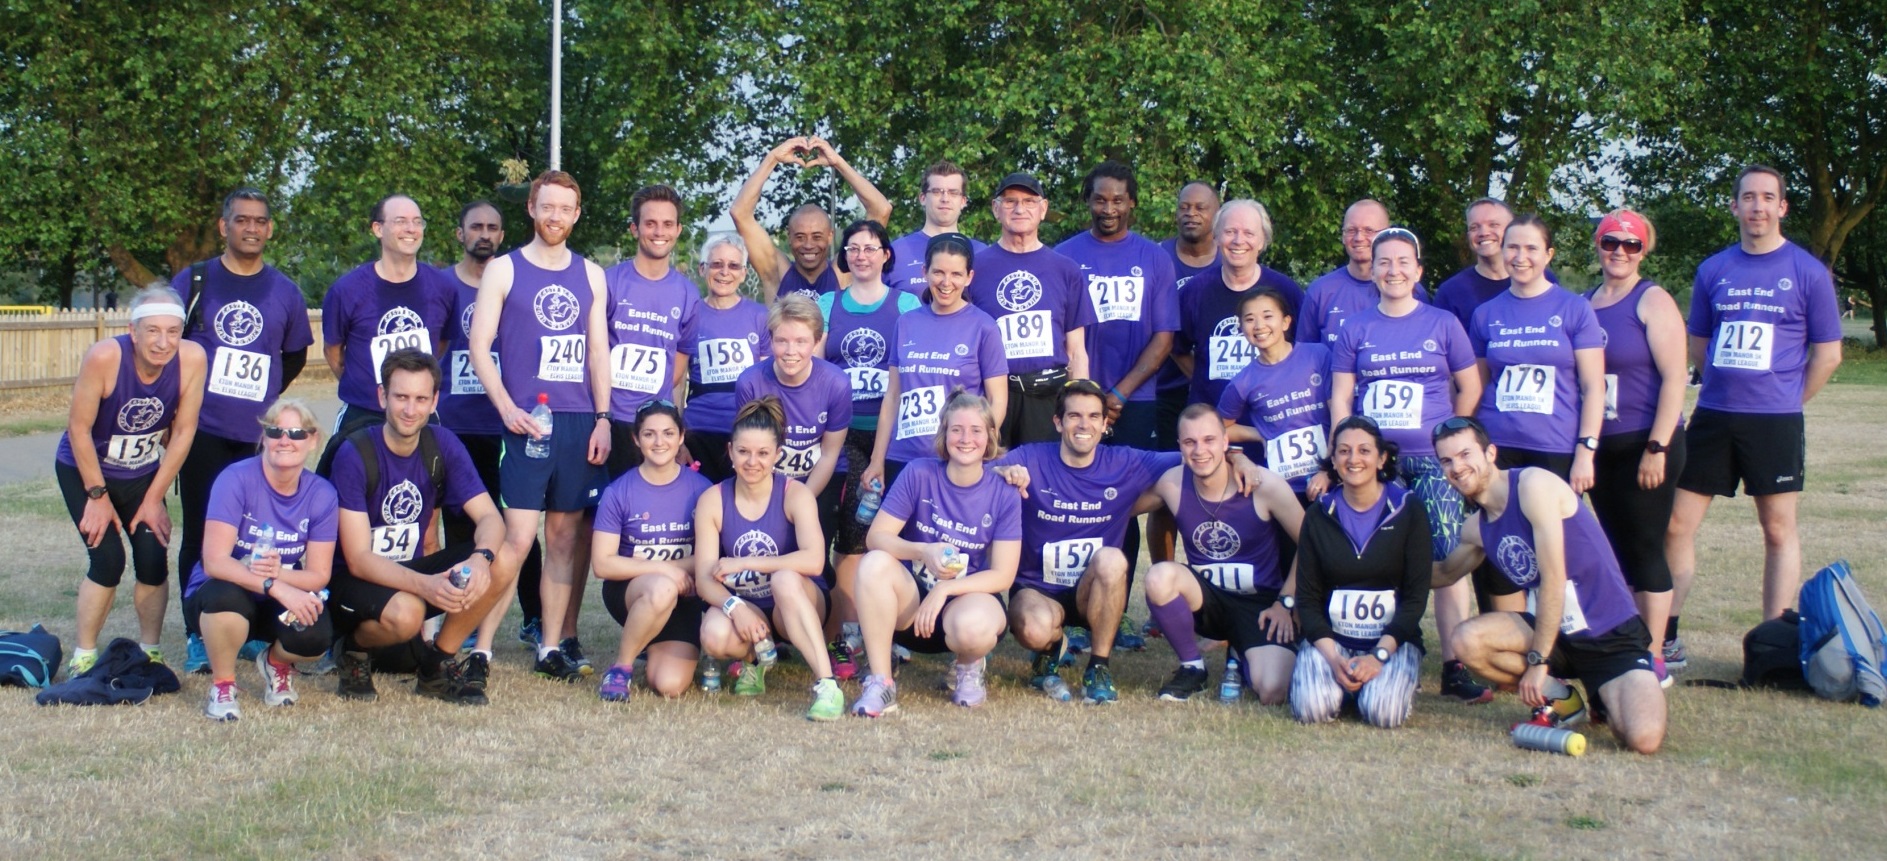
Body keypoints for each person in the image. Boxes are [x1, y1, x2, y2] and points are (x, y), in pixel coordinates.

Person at [1667, 165, 1843, 642]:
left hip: (1774, 421)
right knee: (1677, 523)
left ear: (1782, 207)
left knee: (1778, 529)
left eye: (1768, 198)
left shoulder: (1807, 272)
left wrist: (1787, 399)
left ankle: (1773, 640)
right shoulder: (1714, 269)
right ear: (1735, 206)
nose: (1757, 207)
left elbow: (1828, 355)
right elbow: (1699, 341)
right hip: (1714, 415)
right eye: (1748, 197)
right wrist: (1725, 384)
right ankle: (1666, 633)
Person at [1435, 417, 1666, 755]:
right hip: (1553, 634)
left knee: (1642, 739)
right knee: (1466, 641)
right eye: (1446, 460)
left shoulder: (1534, 486)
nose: (1457, 467)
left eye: (1465, 454)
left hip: (1610, 635)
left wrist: (1538, 662)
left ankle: (1610, 692)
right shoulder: (1476, 528)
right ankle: (1563, 699)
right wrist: (1369, 566)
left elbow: (1554, 578)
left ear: (1490, 453)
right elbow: (1443, 573)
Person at [1328, 227, 1491, 703]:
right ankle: (1393, 647)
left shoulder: (1442, 323)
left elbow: (1470, 387)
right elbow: (1342, 397)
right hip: (1378, 465)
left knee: (1443, 556)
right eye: (1384, 262)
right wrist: (1348, 452)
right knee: (1379, 556)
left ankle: (1456, 665)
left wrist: (1453, 442)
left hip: (1432, 462)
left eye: (1403, 262)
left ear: (1418, 271)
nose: (1393, 270)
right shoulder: (1355, 328)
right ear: (1373, 271)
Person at [466, 169, 613, 681]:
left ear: (576, 214)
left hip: (577, 422)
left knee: (565, 539)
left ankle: (550, 647)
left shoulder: (592, 274)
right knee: (517, 540)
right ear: (531, 209)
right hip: (528, 422)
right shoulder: (504, 270)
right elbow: (479, 347)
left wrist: (603, 418)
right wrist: (506, 406)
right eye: (547, 207)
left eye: (565, 209)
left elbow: (598, 352)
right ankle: (481, 646)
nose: (556, 217)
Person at [175, 187, 316, 674]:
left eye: (260, 221)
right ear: (224, 226)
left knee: (256, 537)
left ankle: (250, 631)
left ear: (270, 228)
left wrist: (266, 392)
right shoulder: (195, 280)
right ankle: (199, 632)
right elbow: (170, 344)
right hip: (202, 431)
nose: (251, 228)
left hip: (259, 436)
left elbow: (294, 354)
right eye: (241, 220)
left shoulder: (285, 291)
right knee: (202, 533)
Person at [326, 350, 516, 705]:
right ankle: (351, 652)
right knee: (408, 613)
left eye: (420, 399)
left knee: (502, 557)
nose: (410, 409)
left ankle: (437, 665)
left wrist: (479, 558)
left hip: (407, 574)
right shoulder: (355, 453)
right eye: (401, 397)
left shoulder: (441, 443)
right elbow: (357, 559)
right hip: (352, 584)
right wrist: (427, 587)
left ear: (433, 402)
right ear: (382, 396)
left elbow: (490, 518)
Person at [1056, 160, 1180, 650]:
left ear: (1132, 202)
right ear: (1087, 201)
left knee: (1120, 506)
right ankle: (1068, 614)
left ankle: (1114, 615)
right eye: (1099, 199)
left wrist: (1120, 394)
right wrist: (1084, 396)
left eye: (1117, 199)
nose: (1108, 208)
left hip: (1136, 402)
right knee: (1069, 505)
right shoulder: (1064, 257)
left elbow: (1164, 336)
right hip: (1075, 402)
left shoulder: (1154, 258)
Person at [56, 286, 206, 673]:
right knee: (107, 559)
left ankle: (150, 650)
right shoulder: (105, 356)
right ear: (133, 331)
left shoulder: (192, 359)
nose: (163, 342)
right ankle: (84, 655)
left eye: (173, 331)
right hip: (86, 468)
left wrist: (155, 498)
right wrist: (97, 495)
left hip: (141, 471)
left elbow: (185, 433)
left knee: (153, 555)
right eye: (153, 331)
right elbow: (78, 427)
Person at [850, 391, 1022, 714]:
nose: (966, 439)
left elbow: (1003, 575)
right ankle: (881, 683)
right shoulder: (919, 473)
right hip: (913, 607)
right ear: (944, 433)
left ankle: (969, 667)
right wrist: (923, 550)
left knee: (975, 625)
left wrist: (946, 588)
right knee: (873, 564)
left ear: (989, 437)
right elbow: (877, 537)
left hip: (963, 604)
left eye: (976, 430)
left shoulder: (1004, 492)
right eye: (957, 429)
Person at [436, 200, 547, 661]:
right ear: (460, 234)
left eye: (494, 228)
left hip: (509, 424)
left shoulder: (517, 280)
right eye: (476, 227)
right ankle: (464, 611)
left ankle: (534, 616)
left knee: (520, 528)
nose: (485, 234)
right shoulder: (441, 285)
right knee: (463, 525)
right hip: (457, 425)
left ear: (504, 236)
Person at [183, 398, 337, 721]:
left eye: (297, 433)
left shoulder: (322, 494)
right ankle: (223, 685)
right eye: (275, 430)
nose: (285, 440)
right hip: (220, 590)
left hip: (272, 590)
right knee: (224, 596)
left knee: (316, 634)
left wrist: (281, 574)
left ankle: (276, 663)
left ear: (312, 440)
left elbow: (319, 574)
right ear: (264, 436)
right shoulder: (235, 478)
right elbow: (214, 561)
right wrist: (274, 585)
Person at [1139, 405, 1304, 704]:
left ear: (1226, 443)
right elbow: (1117, 508)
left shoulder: (1264, 485)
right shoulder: (1172, 483)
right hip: (1207, 599)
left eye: (1209, 440)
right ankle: (1192, 667)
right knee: (1159, 577)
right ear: (1180, 446)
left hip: (1259, 605)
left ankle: (1240, 652)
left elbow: (1311, 545)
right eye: (1190, 442)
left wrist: (1286, 602)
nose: (1199, 450)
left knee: (1272, 691)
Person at [1583, 210, 1687, 683]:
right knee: (1615, 552)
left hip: (1645, 444)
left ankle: (1655, 652)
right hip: (1602, 448)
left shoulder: (1652, 300)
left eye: (1631, 245)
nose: (1619, 252)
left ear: (1644, 250)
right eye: (1611, 243)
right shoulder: (1585, 302)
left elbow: (1674, 380)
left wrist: (1658, 446)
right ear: (1598, 246)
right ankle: (1628, 647)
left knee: (1645, 549)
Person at [693, 397, 844, 721]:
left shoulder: (795, 494)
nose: (752, 461)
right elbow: (704, 577)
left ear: (777, 455)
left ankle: (827, 683)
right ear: (730, 451)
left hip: (796, 602)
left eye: (763, 453)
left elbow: (814, 561)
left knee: (785, 578)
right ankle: (755, 660)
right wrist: (736, 607)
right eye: (744, 452)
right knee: (713, 636)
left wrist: (746, 563)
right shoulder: (713, 499)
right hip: (745, 605)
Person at [817, 219, 921, 678]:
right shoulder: (826, 303)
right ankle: (850, 633)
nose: (861, 255)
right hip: (840, 435)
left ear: (886, 255)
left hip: (894, 437)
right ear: (844, 257)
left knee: (895, 534)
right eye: (853, 248)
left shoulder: (906, 304)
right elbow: (815, 371)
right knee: (852, 537)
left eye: (871, 247)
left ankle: (892, 630)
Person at [1289, 416, 1430, 727]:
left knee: (1383, 715)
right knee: (1311, 712)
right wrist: (1333, 658)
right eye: (1344, 451)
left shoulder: (1409, 509)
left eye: (1364, 451)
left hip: (1389, 640)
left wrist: (1378, 657)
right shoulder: (1318, 514)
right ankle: (1344, 686)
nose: (1354, 459)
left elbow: (1416, 599)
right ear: (1334, 461)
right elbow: (1308, 602)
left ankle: (1386, 685)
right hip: (1332, 640)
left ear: (1381, 458)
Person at [317, 194, 455, 474]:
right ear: (378, 229)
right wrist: (363, 383)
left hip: (420, 416)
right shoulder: (347, 290)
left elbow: (438, 345)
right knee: (351, 501)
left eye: (417, 222)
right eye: (401, 221)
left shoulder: (442, 287)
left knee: (425, 499)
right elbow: (334, 352)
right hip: (363, 414)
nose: (411, 229)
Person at [1468, 214, 1605, 490]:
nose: (1521, 257)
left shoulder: (1574, 309)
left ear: (1548, 254)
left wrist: (1586, 451)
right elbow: (1476, 386)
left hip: (1555, 445)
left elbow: (1593, 387)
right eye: (1513, 247)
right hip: (1497, 445)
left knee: (1551, 532)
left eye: (1531, 248)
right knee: (1498, 531)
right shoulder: (1485, 314)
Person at [864, 234, 1008, 494]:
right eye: (938, 272)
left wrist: (975, 450)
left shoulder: (984, 326)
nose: (946, 282)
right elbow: (893, 396)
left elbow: (997, 402)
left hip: (955, 460)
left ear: (969, 277)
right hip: (902, 457)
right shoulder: (906, 323)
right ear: (924, 272)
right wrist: (877, 459)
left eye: (956, 274)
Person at [591, 399, 714, 700]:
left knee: (669, 685)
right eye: (649, 434)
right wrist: (666, 570)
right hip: (632, 592)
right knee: (661, 588)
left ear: (681, 437)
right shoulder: (618, 491)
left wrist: (673, 573)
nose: (659, 442)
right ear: (636, 438)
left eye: (668, 433)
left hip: (684, 599)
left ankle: (650, 640)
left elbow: (711, 557)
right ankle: (621, 668)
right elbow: (603, 565)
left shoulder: (702, 489)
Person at [969, 172, 1095, 445]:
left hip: (1047, 398)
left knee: (1044, 482)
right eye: (1010, 201)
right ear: (995, 209)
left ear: (1043, 209)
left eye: (1029, 201)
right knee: (990, 478)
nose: (1019, 208)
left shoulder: (1066, 270)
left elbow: (1076, 350)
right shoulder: (974, 269)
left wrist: (1080, 406)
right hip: (992, 395)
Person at [733, 294, 851, 570]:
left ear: (817, 341)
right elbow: (746, 450)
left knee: (811, 559)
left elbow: (829, 454)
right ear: (771, 339)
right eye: (782, 341)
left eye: (801, 341)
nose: (790, 351)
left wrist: (801, 502)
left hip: (817, 478)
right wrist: (773, 500)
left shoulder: (836, 383)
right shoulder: (750, 382)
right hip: (764, 478)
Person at [602, 184, 698, 477]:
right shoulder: (608, 282)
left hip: (654, 427)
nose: (659, 232)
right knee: (596, 514)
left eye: (668, 224)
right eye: (650, 223)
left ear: (678, 230)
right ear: (634, 229)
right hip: (610, 421)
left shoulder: (688, 293)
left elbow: (678, 370)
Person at [1173, 199, 1305, 412]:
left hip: (1272, 419)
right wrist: (1204, 380)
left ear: (1262, 241)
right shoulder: (1194, 291)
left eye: (1249, 233)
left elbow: (1305, 351)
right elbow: (1177, 348)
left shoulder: (1286, 291)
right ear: (1216, 237)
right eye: (1230, 231)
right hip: (1212, 423)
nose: (1238, 240)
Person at [731, 136, 893, 303]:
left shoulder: (843, 272)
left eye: (817, 237)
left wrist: (837, 162)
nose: (808, 245)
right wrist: (772, 158)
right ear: (789, 236)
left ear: (830, 235)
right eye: (800, 237)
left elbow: (881, 210)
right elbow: (740, 213)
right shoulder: (777, 273)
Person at [1218, 288, 1334, 503]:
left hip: (1331, 478)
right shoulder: (1242, 382)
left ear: (1286, 322)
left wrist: (1330, 468)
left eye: (1268, 316)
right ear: (1241, 328)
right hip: (1282, 489)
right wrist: (1260, 434)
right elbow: (1221, 429)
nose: (1259, 326)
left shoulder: (1318, 356)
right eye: (1250, 319)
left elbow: (1340, 414)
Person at [679, 233, 770, 482]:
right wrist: (678, 436)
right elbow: (676, 382)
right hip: (698, 430)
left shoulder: (760, 316)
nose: (724, 272)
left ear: (743, 273)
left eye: (733, 266)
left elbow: (767, 383)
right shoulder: (690, 314)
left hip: (744, 433)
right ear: (702, 269)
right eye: (716, 264)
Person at [1156, 181, 1221, 450]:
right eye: (1184, 207)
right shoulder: (1157, 256)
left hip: (1217, 390)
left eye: (1200, 208)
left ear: (1217, 213)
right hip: (1164, 388)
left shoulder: (1230, 259)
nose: (1190, 213)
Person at [1299, 199, 1398, 346]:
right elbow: (1304, 354)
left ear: (1386, 235)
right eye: (1351, 230)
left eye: (1368, 230)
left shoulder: (1405, 289)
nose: (1359, 238)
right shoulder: (1321, 291)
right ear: (1343, 236)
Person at [887, 161, 987, 295]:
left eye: (953, 193)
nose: (945, 199)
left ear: (963, 201)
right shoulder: (895, 253)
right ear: (922, 198)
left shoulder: (981, 253)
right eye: (937, 192)